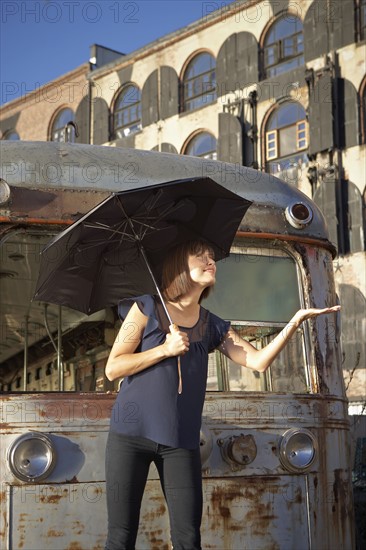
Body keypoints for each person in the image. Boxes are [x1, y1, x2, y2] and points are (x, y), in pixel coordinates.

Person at [104, 239, 340, 550]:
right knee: (120, 538)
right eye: (199, 255)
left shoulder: (212, 325)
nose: (209, 260)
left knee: (189, 540)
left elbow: (257, 361)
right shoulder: (145, 308)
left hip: (180, 440)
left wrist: (294, 322)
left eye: (212, 257)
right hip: (129, 436)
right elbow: (113, 368)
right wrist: (164, 349)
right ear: (179, 266)